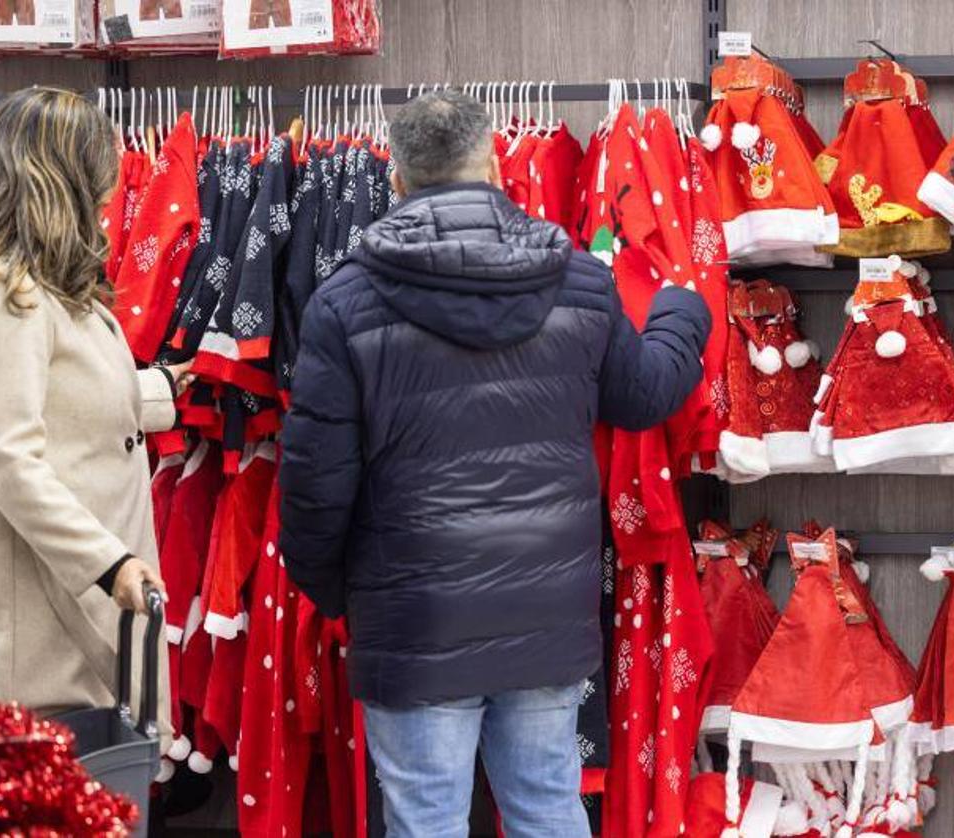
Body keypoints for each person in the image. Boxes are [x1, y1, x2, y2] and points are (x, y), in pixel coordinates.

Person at [280, 90, 711, 838]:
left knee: (426, 820)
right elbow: (643, 397)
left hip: (413, 611)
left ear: (399, 180)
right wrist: (682, 313)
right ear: (495, 168)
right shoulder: (577, 280)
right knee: (548, 806)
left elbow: (314, 489)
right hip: (544, 605)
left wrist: (347, 595)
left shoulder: (345, 303)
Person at [0, 89, 187, 738]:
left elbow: (66, 401)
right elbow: (5, 454)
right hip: (27, 607)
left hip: (56, 598)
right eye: (101, 173)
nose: (108, 194)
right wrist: (109, 563)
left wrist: (168, 390)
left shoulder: (37, 284)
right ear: (67, 178)